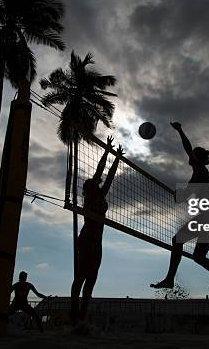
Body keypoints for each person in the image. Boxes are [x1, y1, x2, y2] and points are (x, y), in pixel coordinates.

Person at [151, 122, 209, 289]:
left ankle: (169, 279)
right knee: (198, 257)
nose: (189, 158)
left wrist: (180, 130)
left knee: (177, 241)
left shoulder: (199, 172)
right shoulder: (201, 170)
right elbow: (189, 149)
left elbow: (181, 197)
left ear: (195, 159)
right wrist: (180, 131)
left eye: (192, 157)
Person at [71, 136, 123, 328]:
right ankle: (74, 316)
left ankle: (82, 318)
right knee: (80, 280)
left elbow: (106, 177)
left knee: (90, 282)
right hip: (86, 241)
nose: (96, 182)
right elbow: (101, 173)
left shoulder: (99, 194)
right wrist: (108, 152)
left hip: (96, 243)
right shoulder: (91, 197)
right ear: (88, 189)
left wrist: (116, 156)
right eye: (93, 183)